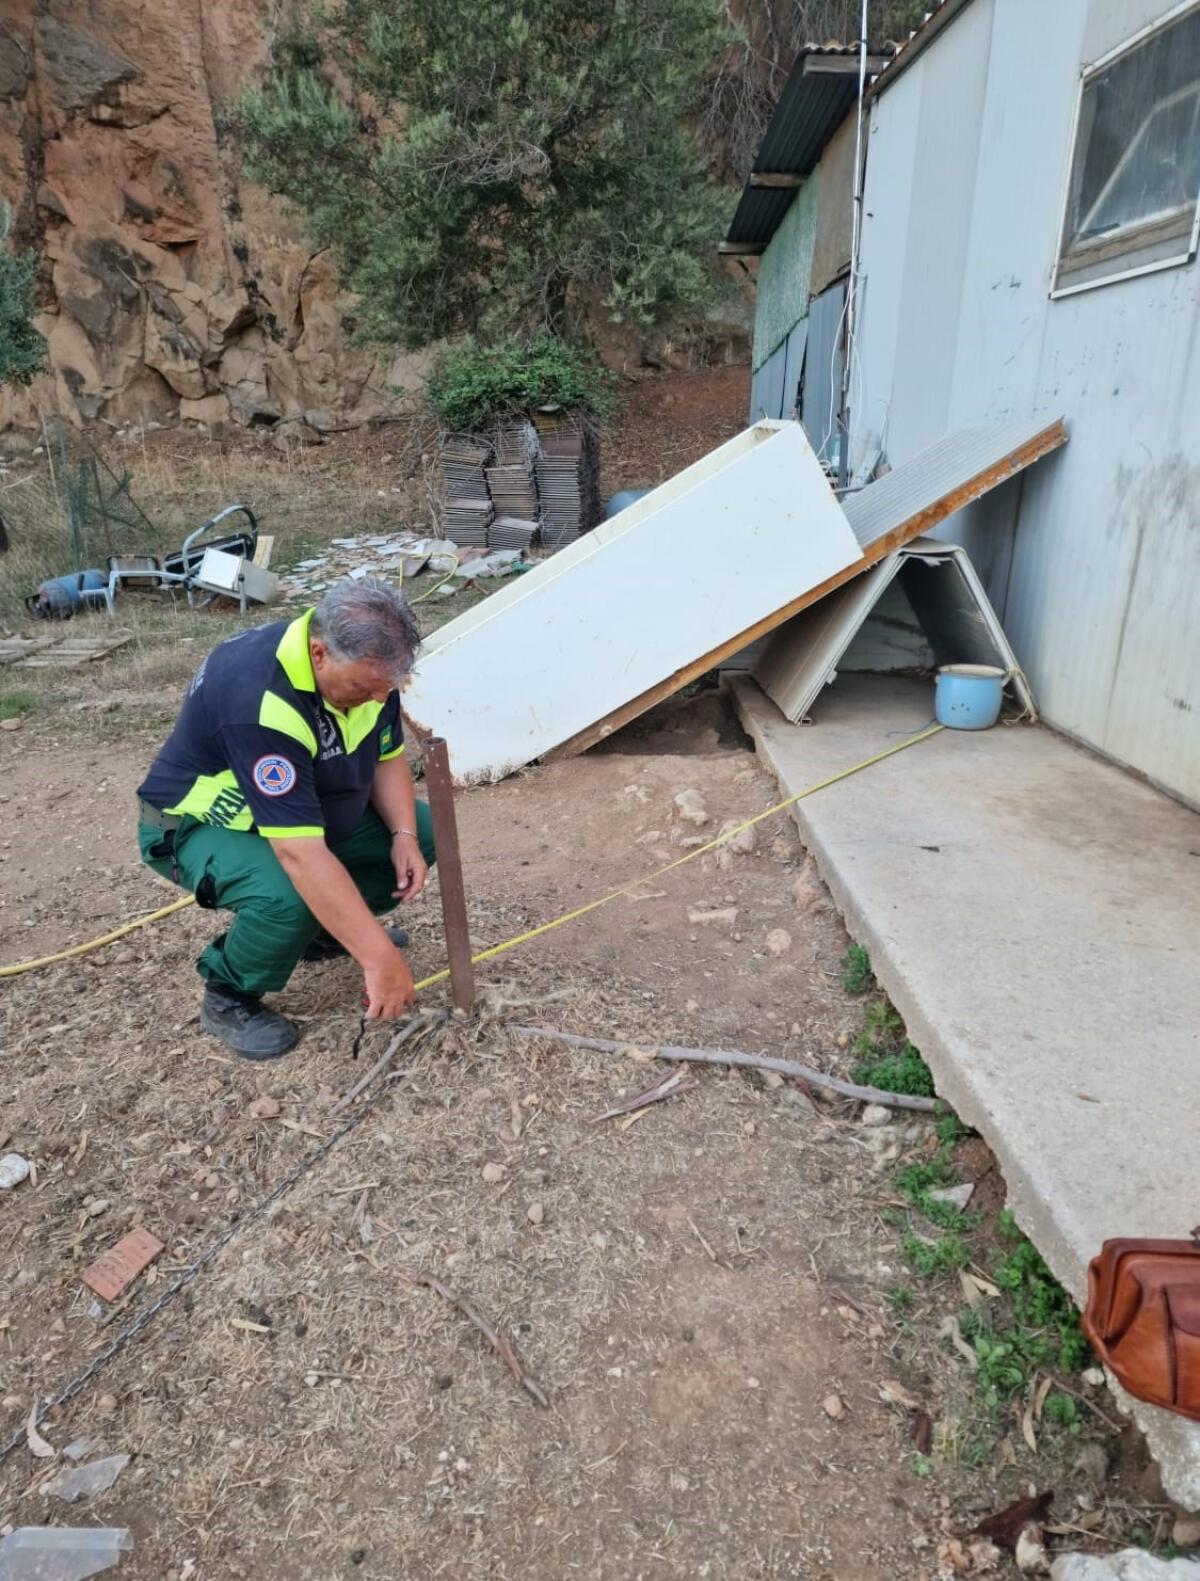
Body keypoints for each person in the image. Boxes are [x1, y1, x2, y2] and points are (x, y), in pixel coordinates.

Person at [135, 578, 435, 1060]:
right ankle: (228, 994)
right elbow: (298, 852)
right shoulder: (259, 700)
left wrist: (401, 834)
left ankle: (319, 934)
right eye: (364, 688)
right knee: (287, 891)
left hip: (303, 809)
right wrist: (380, 959)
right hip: (200, 824)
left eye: (386, 690)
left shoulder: (371, 674)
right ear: (319, 654)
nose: (378, 701)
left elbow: (386, 755)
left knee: (423, 831)